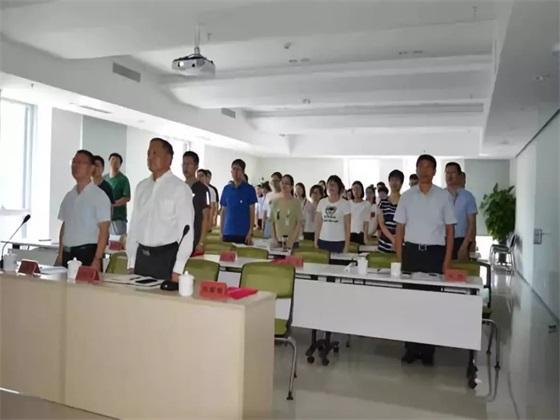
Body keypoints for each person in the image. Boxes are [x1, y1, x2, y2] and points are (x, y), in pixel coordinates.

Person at [394, 154, 457, 366]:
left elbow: (450, 230)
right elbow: (399, 229)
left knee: (432, 303)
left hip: (434, 254)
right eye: (421, 166)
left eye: (429, 167)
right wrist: (400, 259)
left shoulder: (443, 196)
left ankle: (428, 350)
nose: (424, 170)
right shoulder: (406, 196)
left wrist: (446, 261)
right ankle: (411, 348)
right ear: (416, 169)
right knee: (410, 302)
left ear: (434, 171)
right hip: (412, 253)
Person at [127, 138, 194, 282]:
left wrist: (178, 269)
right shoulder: (141, 187)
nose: (150, 157)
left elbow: (187, 232)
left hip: (166, 258)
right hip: (141, 258)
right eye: (148, 153)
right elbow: (134, 225)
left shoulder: (180, 189)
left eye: (155, 153)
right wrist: (131, 261)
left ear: (168, 158)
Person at [55, 150, 111, 270]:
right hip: (67, 253)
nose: (76, 166)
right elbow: (65, 226)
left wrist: (97, 259)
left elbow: (104, 231)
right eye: (74, 162)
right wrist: (60, 254)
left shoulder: (99, 196)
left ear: (92, 168)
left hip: (88, 254)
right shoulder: (69, 196)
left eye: (81, 163)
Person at [220, 159, 257, 244]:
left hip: (243, 233)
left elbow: (252, 211)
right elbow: (223, 211)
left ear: (243, 172)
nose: (235, 172)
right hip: (228, 232)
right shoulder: (226, 189)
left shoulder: (249, 189)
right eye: (233, 169)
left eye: (238, 169)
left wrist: (250, 232)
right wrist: (221, 232)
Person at [445, 162, 477, 260]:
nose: (450, 176)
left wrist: (466, 244)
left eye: (453, 173)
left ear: (459, 175)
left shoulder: (468, 196)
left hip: (461, 240)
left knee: (459, 268)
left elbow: (471, 222)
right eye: (447, 173)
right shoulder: (440, 195)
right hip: (442, 240)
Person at [182, 151, 210, 254]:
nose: (186, 167)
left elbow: (206, 217)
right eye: (184, 164)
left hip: (195, 238)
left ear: (196, 167)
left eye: (189, 164)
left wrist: (201, 242)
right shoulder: (180, 187)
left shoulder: (203, 189)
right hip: (179, 238)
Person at [315, 175, 351, 253]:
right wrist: (315, 240)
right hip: (323, 240)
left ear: (339, 187)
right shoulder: (322, 202)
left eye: (334, 184)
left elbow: (347, 226)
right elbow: (318, 223)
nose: (331, 186)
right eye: (329, 184)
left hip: (339, 241)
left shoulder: (345, 203)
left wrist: (346, 246)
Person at [270, 175, 303, 249]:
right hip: (278, 242)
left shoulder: (296, 202)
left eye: (287, 183)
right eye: (282, 183)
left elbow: (299, 223)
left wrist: (291, 241)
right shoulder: (275, 202)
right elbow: (272, 222)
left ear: (291, 187)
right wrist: (274, 239)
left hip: (292, 242)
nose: (284, 185)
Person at [104, 152, 131, 235]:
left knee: (117, 241)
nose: (114, 163)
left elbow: (126, 198)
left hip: (118, 218)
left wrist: (113, 204)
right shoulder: (104, 179)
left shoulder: (123, 179)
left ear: (120, 165)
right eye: (112, 160)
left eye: (116, 162)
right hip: (104, 218)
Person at [377, 170, 403, 253]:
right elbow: (381, 224)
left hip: (401, 244)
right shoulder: (383, 202)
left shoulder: (405, 202)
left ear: (401, 183)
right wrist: (393, 240)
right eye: (392, 180)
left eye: (397, 180)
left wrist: (398, 240)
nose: (394, 182)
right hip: (384, 244)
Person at [262, 172, 283, 238]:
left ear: (281, 181)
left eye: (276, 181)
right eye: (273, 181)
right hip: (269, 221)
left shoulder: (284, 195)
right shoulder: (268, 195)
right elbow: (265, 212)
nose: (274, 183)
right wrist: (263, 226)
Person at [349, 181, 370, 245]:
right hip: (349, 233)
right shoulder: (348, 203)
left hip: (360, 234)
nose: (356, 191)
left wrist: (365, 238)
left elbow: (366, 222)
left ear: (362, 190)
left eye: (358, 188)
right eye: (354, 189)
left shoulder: (366, 204)